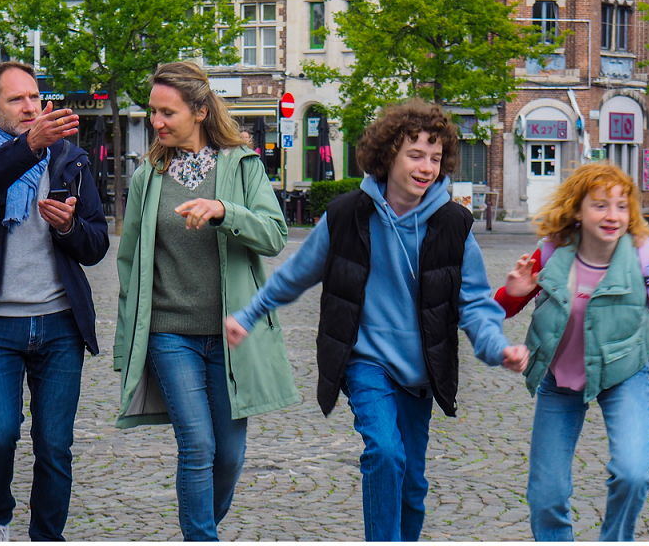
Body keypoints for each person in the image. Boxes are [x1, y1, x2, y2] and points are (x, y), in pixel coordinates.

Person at [224, 99, 529, 541]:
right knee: (385, 452)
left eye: (435, 157)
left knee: (412, 486)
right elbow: (297, 273)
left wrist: (498, 348)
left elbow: (476, 304)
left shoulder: (454, 225)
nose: (426, 167)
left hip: (421, 370)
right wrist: (250, 314)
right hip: (364, 360)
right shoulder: (347, 215)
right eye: (415, 154)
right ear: (389, 154)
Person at [113, 61, 298, 541]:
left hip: (230, 337)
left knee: (229, 456)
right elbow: (130, 262)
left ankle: (201, 528)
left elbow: (274, 235)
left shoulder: (243, 166)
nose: (156, 122)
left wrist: (224, 211)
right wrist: (125, 342)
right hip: (169, 335)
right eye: (153, 111)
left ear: (199, 111)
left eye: (167, 112)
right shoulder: (147, 177)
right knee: (196, 446)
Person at [494, 162, 649, 541]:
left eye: (621, 206)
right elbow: (501, 310)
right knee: (545, 496)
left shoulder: (643, 258)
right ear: (577, 210)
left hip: (623, 373)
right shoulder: (552, 254)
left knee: (633, 474)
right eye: (600, 205)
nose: (613, 216)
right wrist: (512, 294)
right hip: (560, 378)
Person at [0, 61, 110, 541]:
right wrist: (30, 146)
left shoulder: (70, 160)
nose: (29, 106)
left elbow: (96, 244)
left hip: (59, 324)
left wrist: (69, 227)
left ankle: (47, 536)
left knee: (54, 446)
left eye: (35, 97)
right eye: (16, 99)